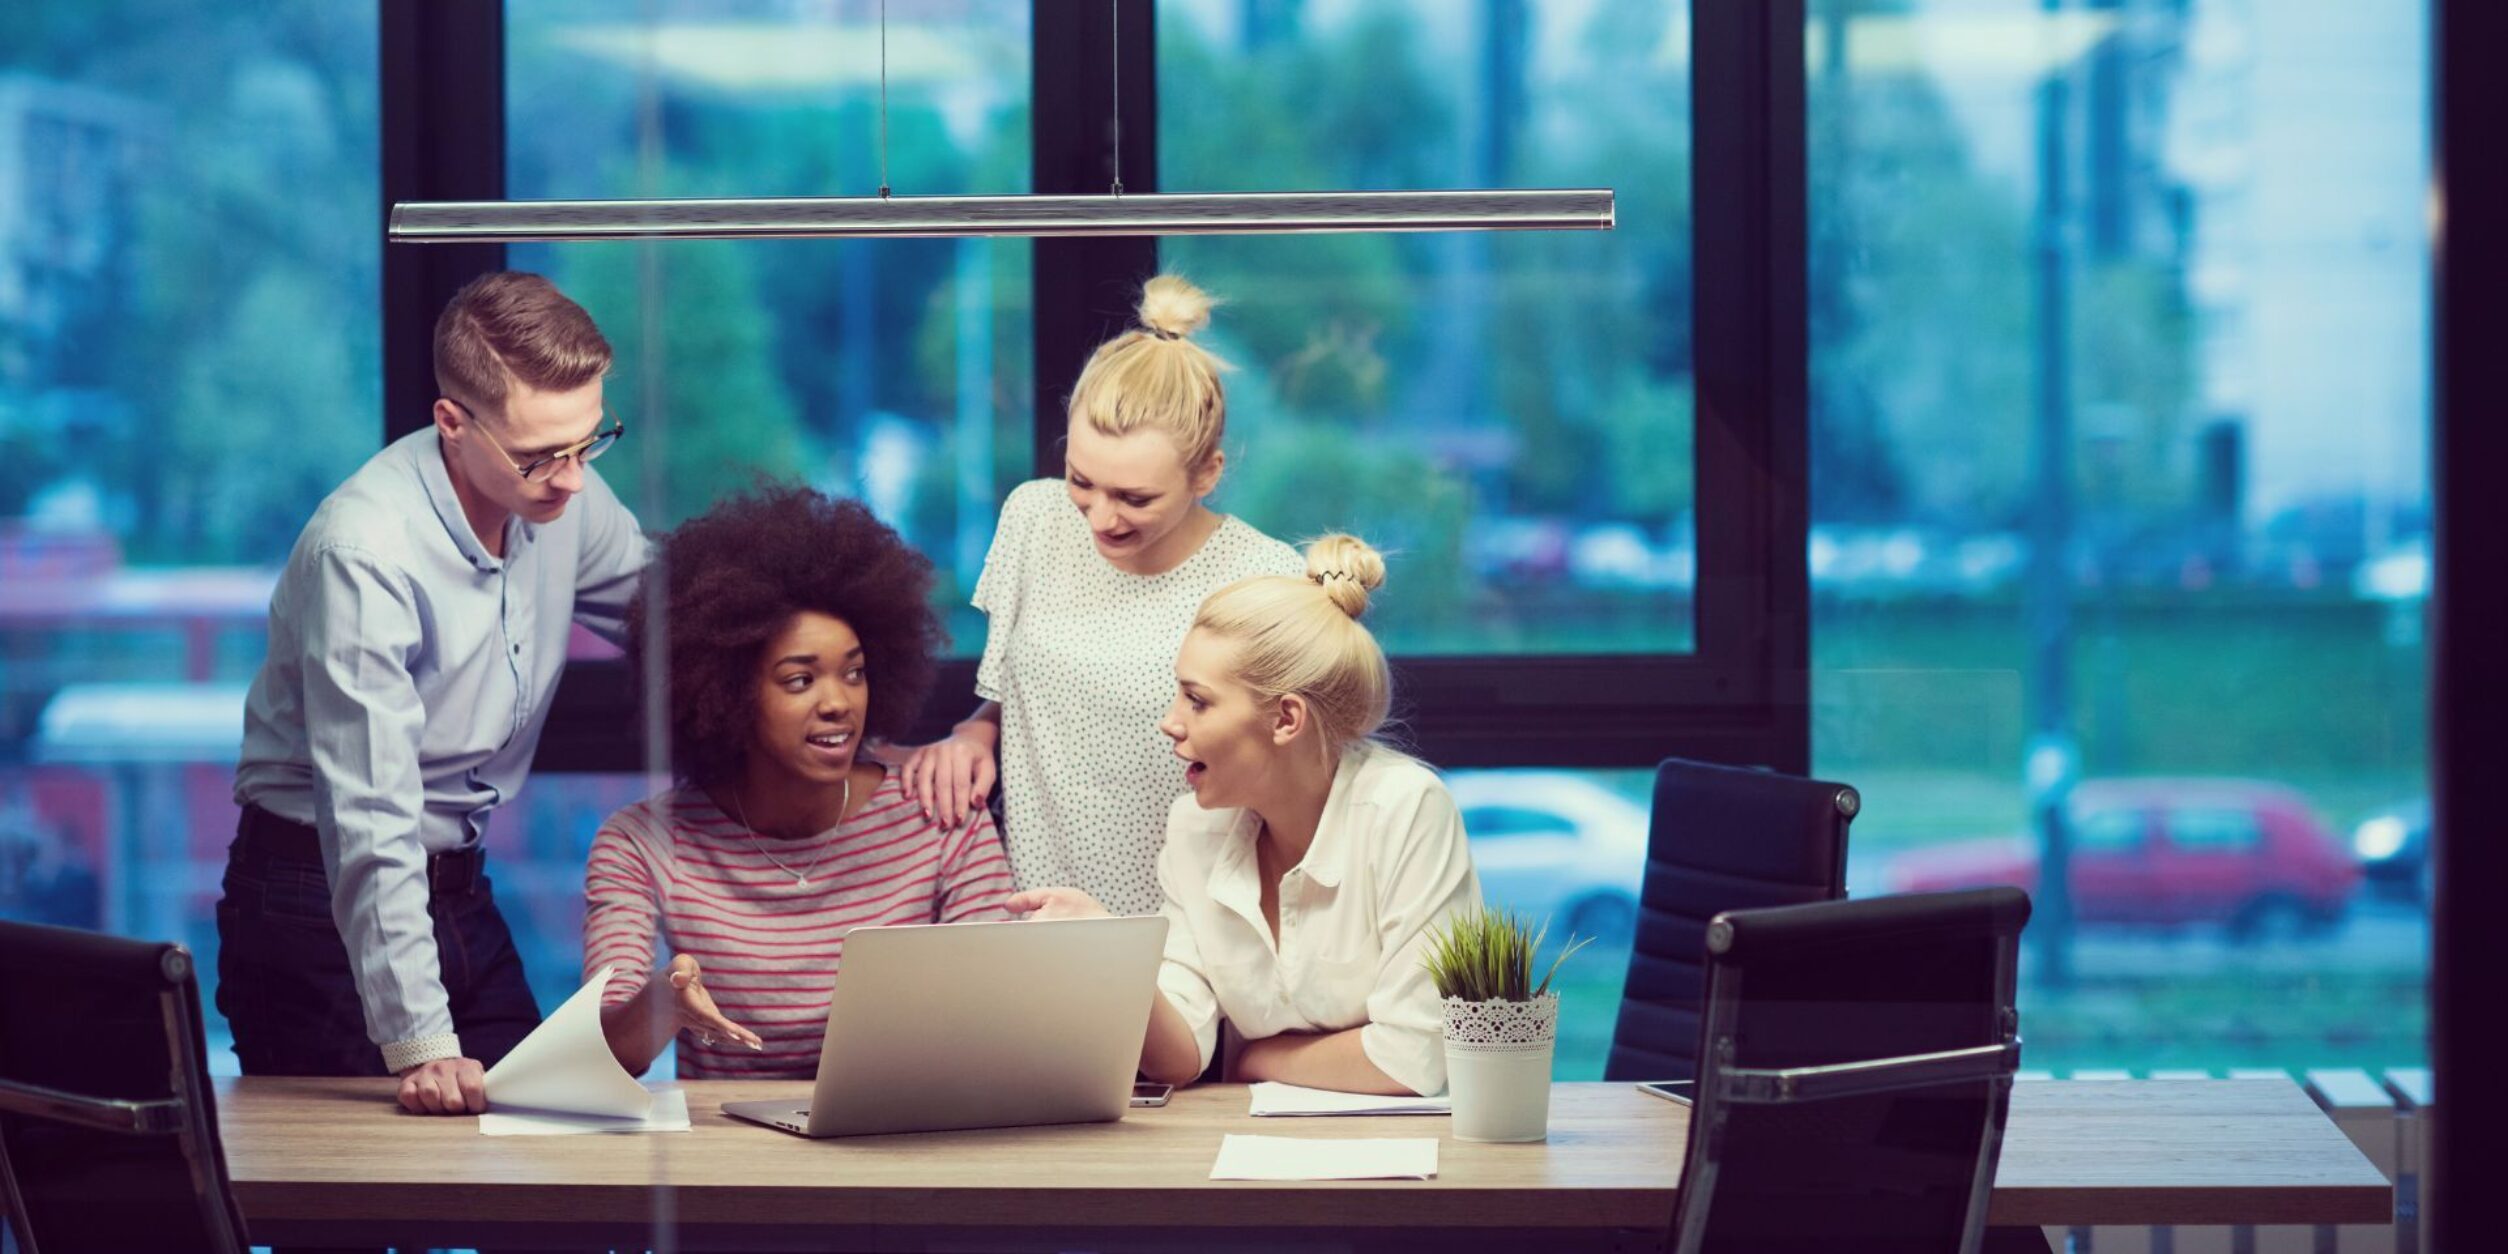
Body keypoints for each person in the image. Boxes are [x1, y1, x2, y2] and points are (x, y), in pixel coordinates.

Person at [220, 271, 646, 1116]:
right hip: (314, 897)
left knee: (557, 1151)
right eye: (539, 456)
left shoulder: (566, 492)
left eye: (589, 442)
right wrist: (420, 1041)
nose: (569, 479)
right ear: (451, 422)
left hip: (456, 888)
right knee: (362, 1212)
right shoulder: (365, 553)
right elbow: (370, 816)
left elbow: (676, 611)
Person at [1011, 536, 1482, 1097]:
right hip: (1250, 1157)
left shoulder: (1406, 809)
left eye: (1197, 700)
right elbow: (1181, 1055)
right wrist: (1105, 949)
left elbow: (1413, 1058)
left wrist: (1258, 1058)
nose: (1170, 721)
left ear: (1286, 719)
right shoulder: (1194, 828)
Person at [898, 274, 1302, 917]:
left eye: (1135, 498)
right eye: (1082, 480)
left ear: (1207, 473)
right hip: (1036, 913)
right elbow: (1023, 693)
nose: (1100, 517)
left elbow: (1290, 772)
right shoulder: (1033, 516)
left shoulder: (1264, 574)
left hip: (1195, 925)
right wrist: (974, 734)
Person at [583, 486, 1015, 1079]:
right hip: (731, 1161)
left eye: (855, 672)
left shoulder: (937, 808)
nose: (838, 702)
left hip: (905, 1145)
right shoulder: (643, 842)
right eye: (799, 680)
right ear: (728, 693)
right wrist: (665, 1004)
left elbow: (1002, 1018)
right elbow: (600, 1057)